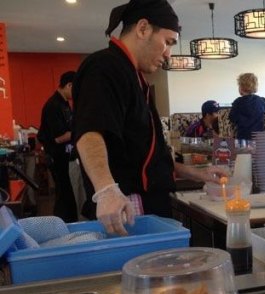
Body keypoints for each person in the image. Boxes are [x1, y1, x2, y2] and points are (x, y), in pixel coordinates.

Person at [72, 0, 225, 235]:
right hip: (128, 205)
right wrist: (106, 191)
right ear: (143, 29)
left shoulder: (135, 77)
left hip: (149, 202)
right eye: (168, 42)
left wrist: (197, 173)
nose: (168, 54)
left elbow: (147, 154)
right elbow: (90, 132)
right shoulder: (105, 66)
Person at [37, 71, 78, 222]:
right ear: (69, 85)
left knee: (69, 193)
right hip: (57, 157)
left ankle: (70, 222)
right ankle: (61, 226)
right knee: (63, 194)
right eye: (76, 88)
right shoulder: (53, 106)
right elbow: (59, 138)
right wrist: (78, 131)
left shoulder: (65, 103)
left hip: (67, 156)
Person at [229, 73, 265, 140]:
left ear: (241, 87)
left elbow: (232, 117)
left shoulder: (238, 102)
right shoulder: (261, 101)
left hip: (243, 136)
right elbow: (264, 111)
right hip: (258, 136)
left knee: (243, 150)